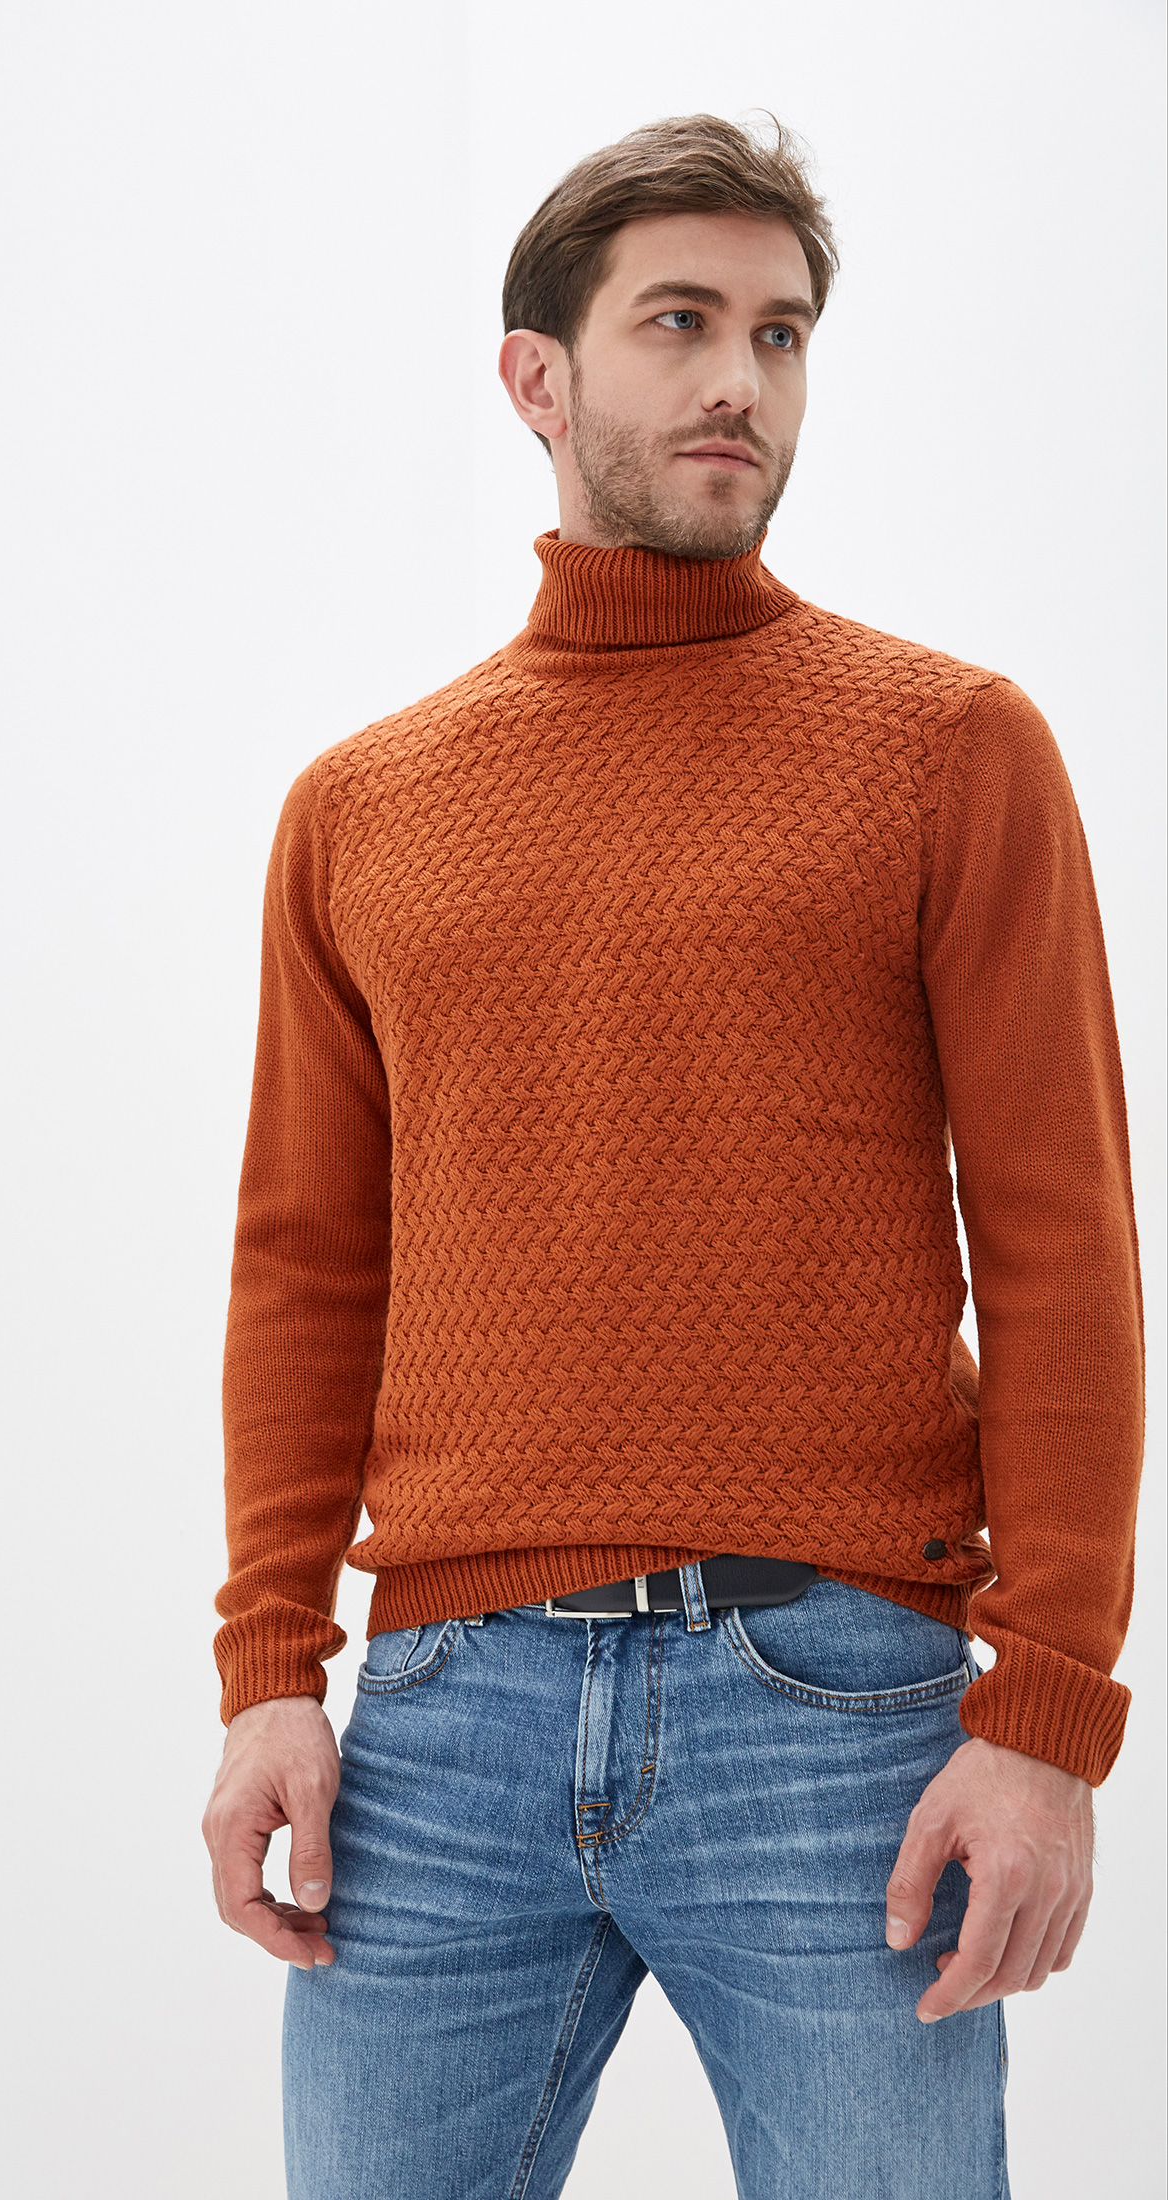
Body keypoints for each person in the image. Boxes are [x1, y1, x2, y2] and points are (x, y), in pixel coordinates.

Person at [200, 112, 1144, 2199]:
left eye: (782, 335)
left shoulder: (951, 748)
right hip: (440, 1719)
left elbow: (1064, 1245)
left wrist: (1048, 1717)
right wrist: (270, 1668)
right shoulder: (362, 806)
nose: (742, 381)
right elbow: (306, 1263)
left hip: (838, 1710)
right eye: (682, 323)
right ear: (536, 377)